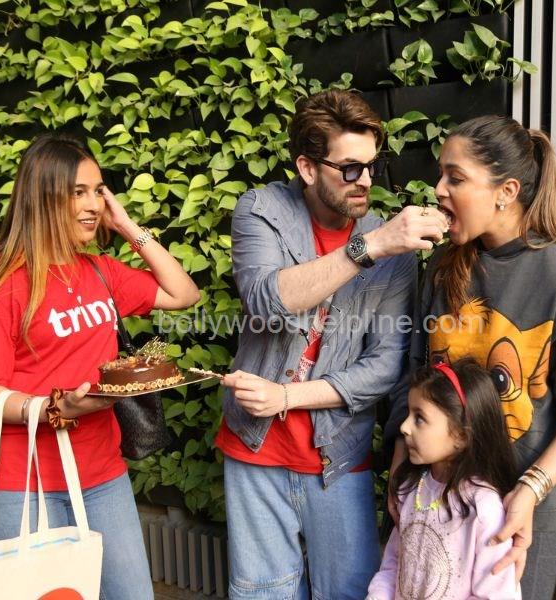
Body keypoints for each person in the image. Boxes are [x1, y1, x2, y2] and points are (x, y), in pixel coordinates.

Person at [215, 89, 450, 599]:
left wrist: (287, 396)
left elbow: (385, 366)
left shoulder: (392, 244)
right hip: (254, 447)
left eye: (371, 166)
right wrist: (369, 247)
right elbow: (266, 302)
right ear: (307, 167)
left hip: (339, 452)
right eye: (349, 168)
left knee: (347, 591)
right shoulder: (261, 209)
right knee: (262, 592)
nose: (365, 180)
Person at [0, 134, 200, 600]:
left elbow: (183, 293)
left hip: (99, 472)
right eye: (77, 192)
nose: (92, 205)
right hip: (15, 482)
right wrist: (54, 409)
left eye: (98, 191)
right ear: (42, 199)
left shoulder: (101, 272)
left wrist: (127, 226)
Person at [385, 115, 556, 599]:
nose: (439, 190)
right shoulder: (443, 268)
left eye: (455, 178)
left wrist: (530, 490)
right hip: (440, 496)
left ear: (506, 191)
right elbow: (415, 378)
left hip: (524, 508)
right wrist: (399, 473)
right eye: (441, 175)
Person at [367, 359, 520, 600]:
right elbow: (392, 566)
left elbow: (495, 595)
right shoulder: (411, 489)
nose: (404, 427)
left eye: (419, 418)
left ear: (461, 436)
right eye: (408, 414)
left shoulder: (484, 508)